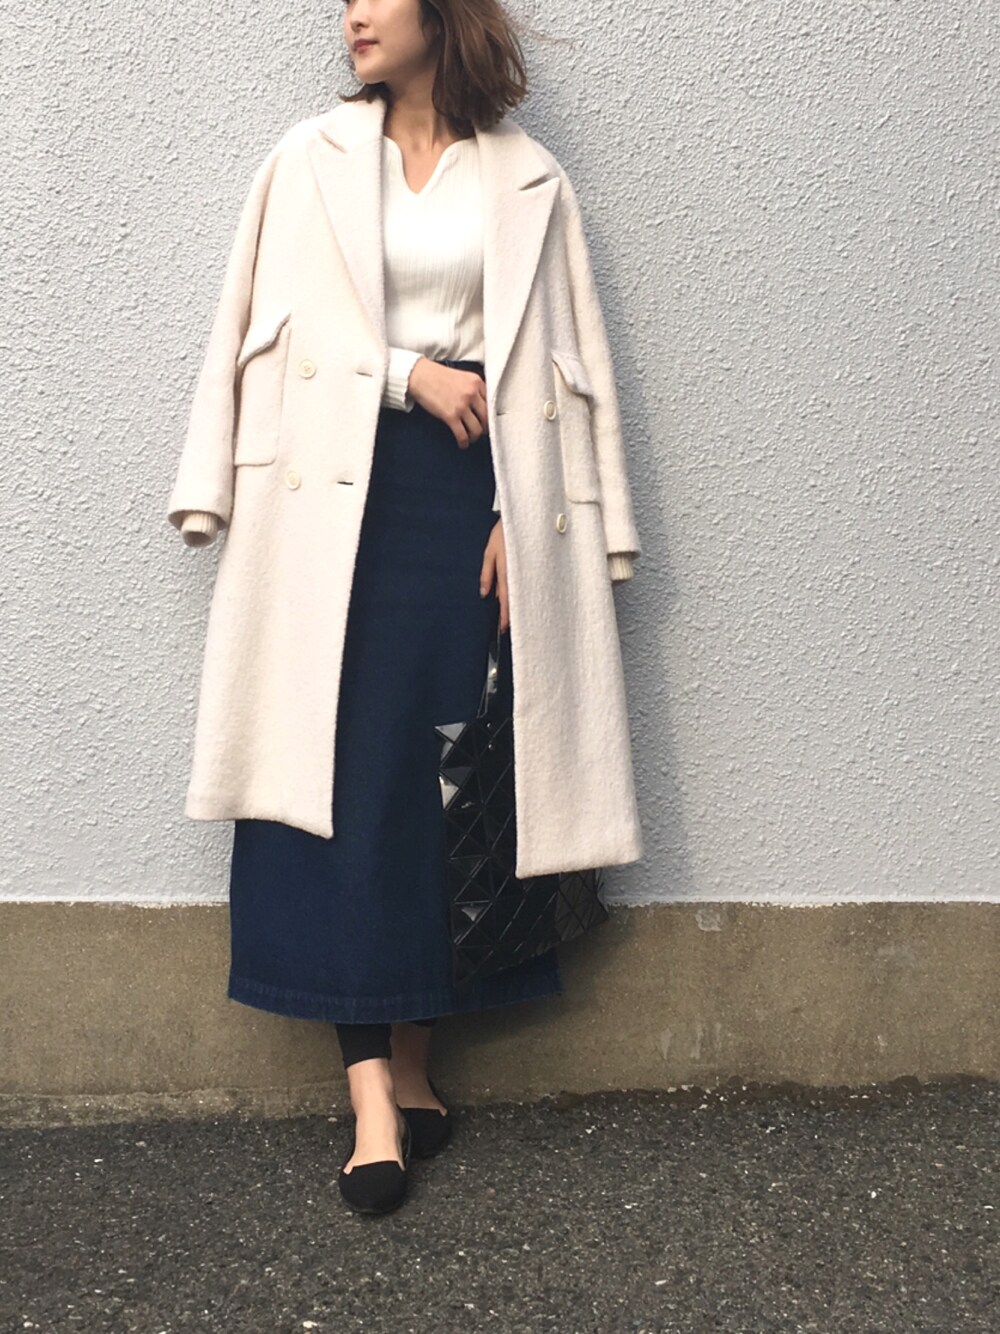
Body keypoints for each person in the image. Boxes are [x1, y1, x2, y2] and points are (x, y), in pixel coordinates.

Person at [168, 0, 642, 1216]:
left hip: (472, 498)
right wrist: (404, 375)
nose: (353, 16)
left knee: (452, 776)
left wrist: (531, 519)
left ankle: (418, 1058)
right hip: (335, 491)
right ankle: (370, 1094)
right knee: (341, 776)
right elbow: (259, 329)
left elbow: (567, 364)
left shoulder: (527, 176)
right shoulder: (309, 159)